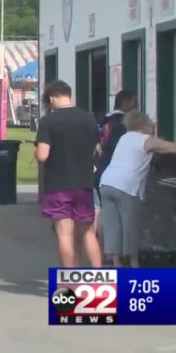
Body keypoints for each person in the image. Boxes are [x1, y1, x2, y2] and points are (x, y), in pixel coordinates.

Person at [100, 111, 176, 267]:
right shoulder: (145, 139)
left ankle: (117, 265)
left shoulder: (125, 138)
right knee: (130, 227)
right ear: (143, 124)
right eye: (150, 122)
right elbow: (175, 149)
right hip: (126, 187)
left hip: (106, 183)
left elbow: (155, 148)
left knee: (112, 226)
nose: (153, 124)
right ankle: (134, 266)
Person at [35, 80, 102, 268]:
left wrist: (36, 152)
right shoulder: (88, 118)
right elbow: (97, 148)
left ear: (51, 98)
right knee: (88, 233)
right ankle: (100, 278)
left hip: (58, 185)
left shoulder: (48, 121)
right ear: (69, 95)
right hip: (84, 183)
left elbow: (42, 155)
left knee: (65, 236)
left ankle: (70, 281)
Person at [94, 90, 138, 232]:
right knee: (115, 216)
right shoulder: (121, 123)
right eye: (134, 101)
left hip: (101, 168)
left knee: (103, 210)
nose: (136, 105)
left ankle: (105, 249)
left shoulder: (104, 120)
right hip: (115, 172)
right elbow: (118, 146)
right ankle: (111, 247)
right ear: (125, 102)